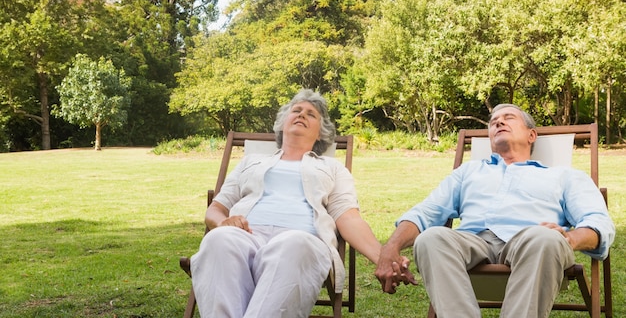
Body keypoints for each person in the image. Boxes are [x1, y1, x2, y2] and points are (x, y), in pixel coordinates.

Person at [375, 103, 615, 318]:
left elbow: (598, 222)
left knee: (545, 238)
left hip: (532, 242)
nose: (498, 122)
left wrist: (570, 238)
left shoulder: (563, 176)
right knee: (431, 238)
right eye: (493, 122)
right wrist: (391, 247)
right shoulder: (468, 172)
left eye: (508, 117)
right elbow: (426, 212)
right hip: (473, 242)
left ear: (532, 135)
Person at [190, 89, 388, 317]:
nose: (302, 114)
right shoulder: (250, 162)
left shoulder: (332, 168)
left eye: (311, 114)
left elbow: (349, 218)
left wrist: (382, 259)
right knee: (218, 239)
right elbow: (216, 209)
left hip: (302, 238)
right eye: (296, 110)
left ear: (321, 133)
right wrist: (224, 222)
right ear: (283, 123)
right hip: (247, 236)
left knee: (294, 243)